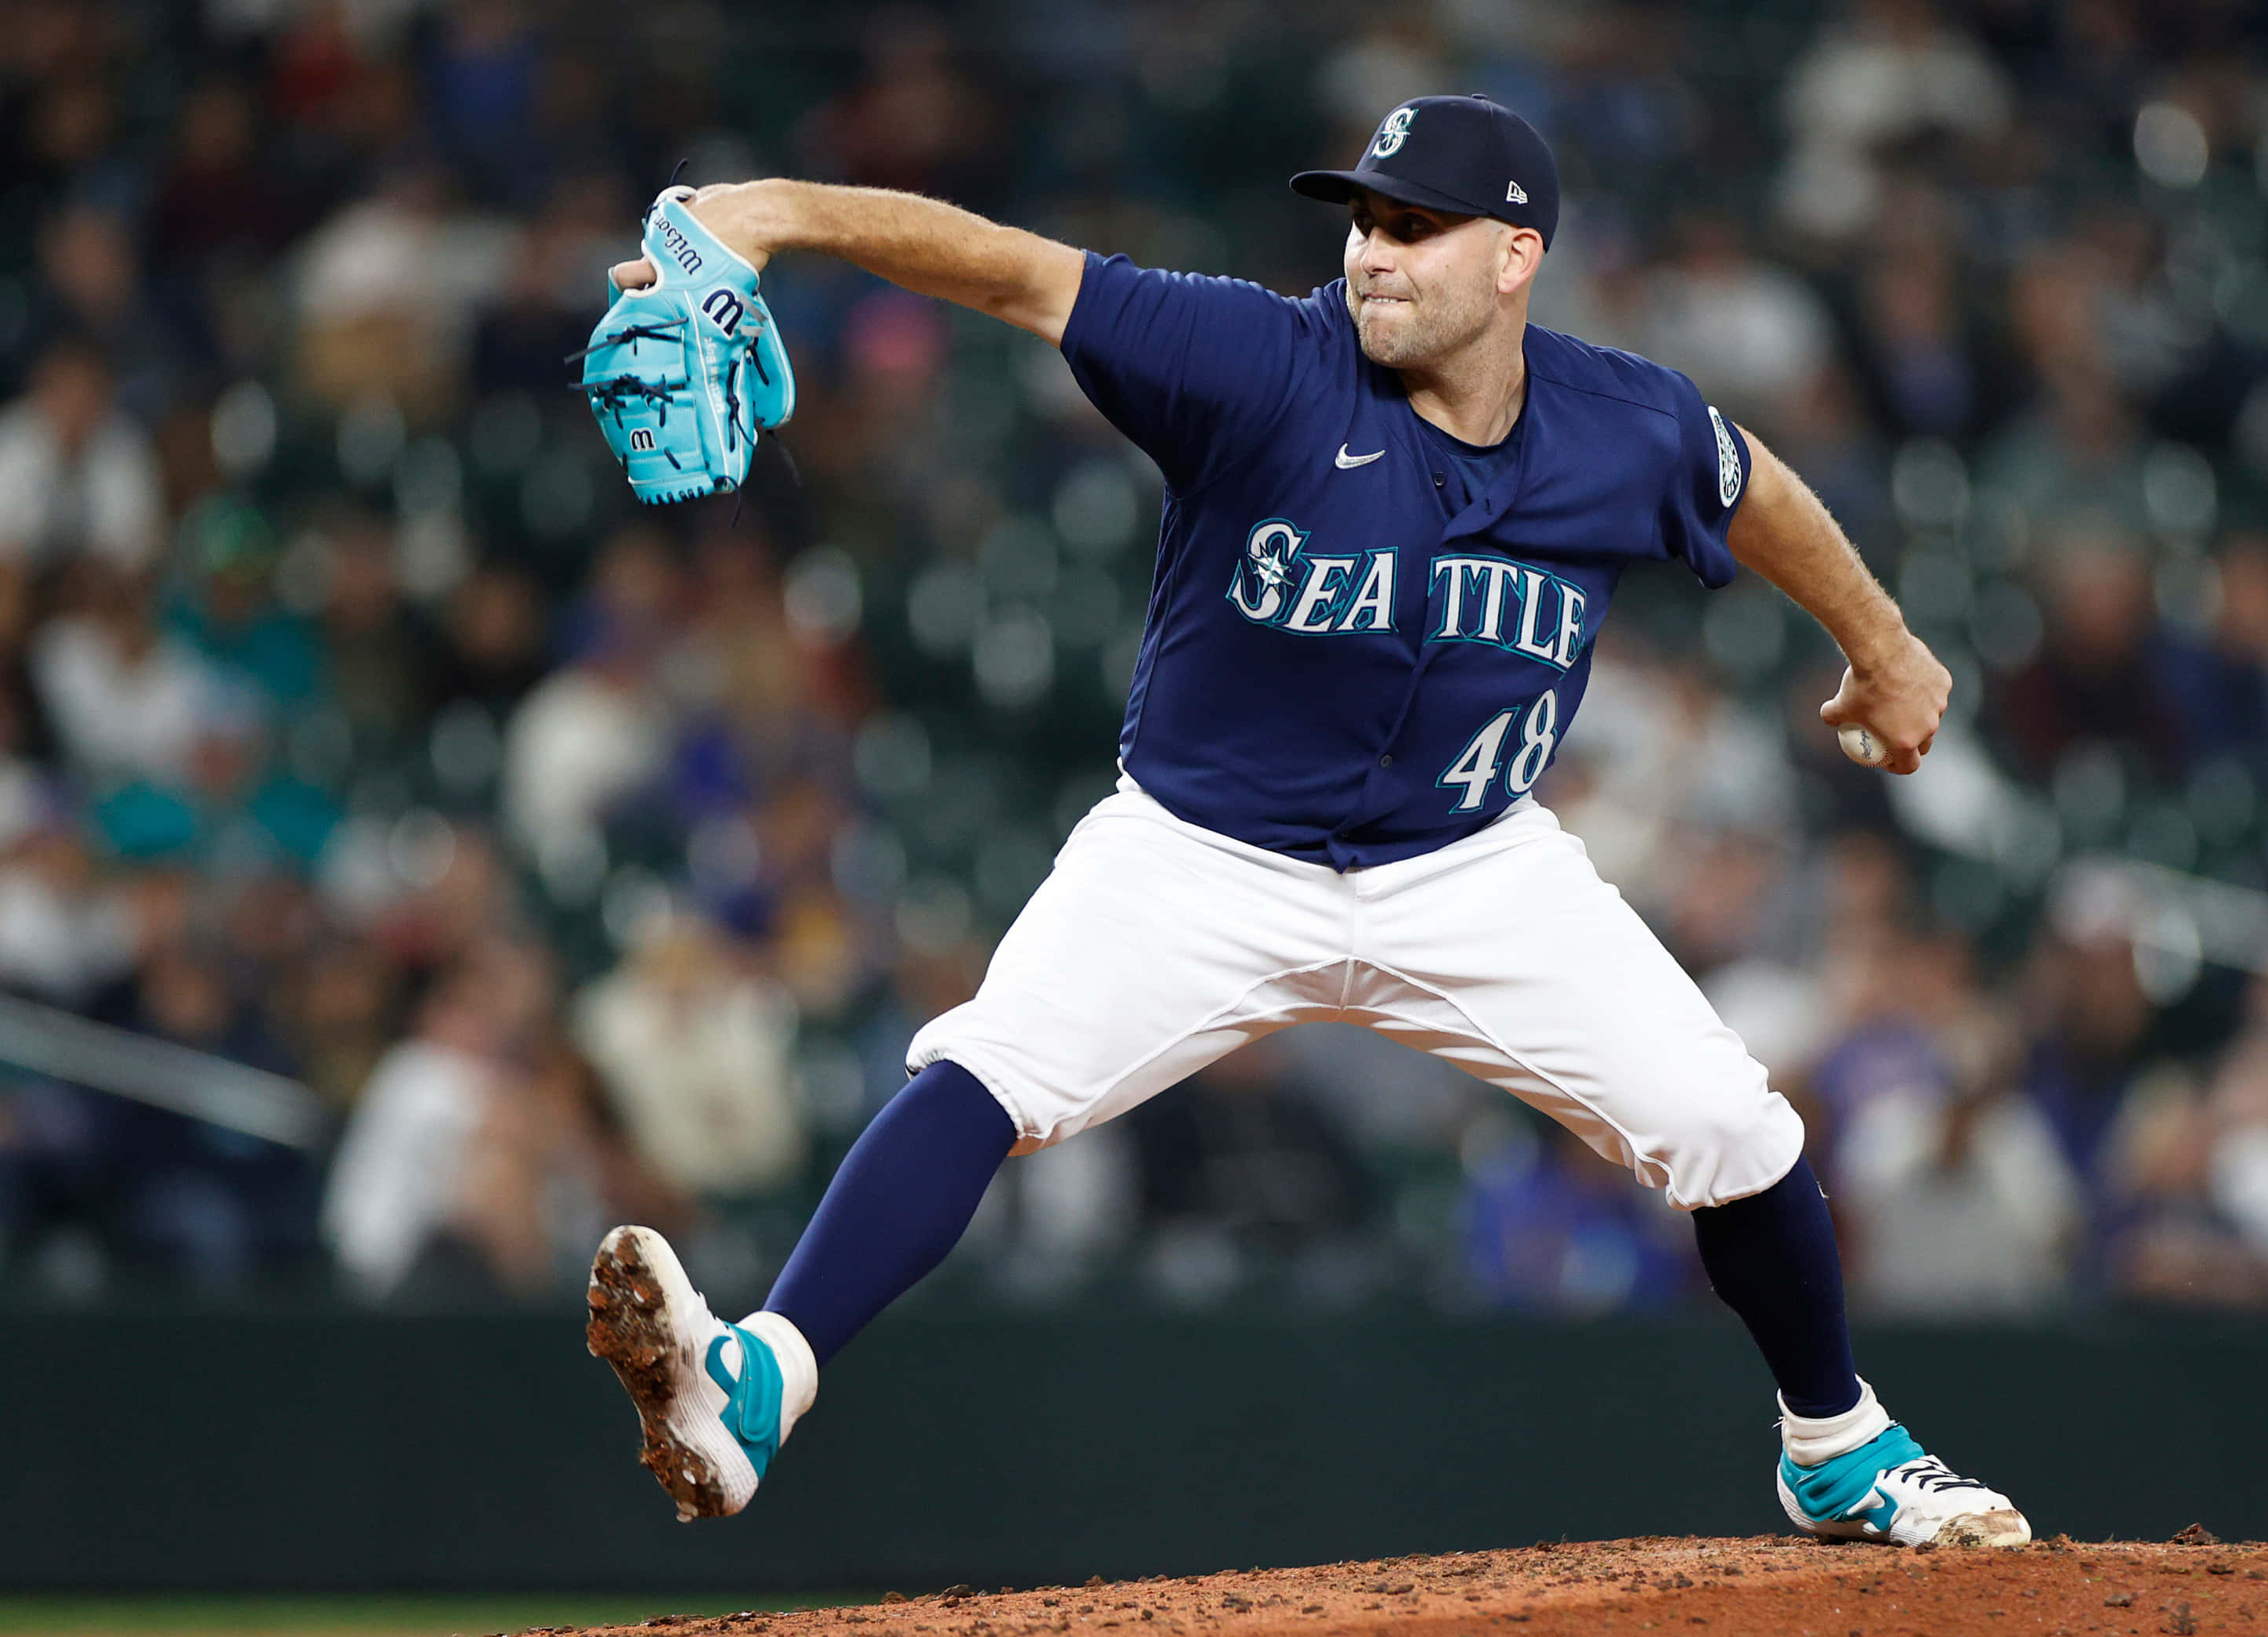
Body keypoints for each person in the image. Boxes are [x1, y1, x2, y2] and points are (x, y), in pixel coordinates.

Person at [584, 94, 2024, 1548]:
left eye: (1413, 227)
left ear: (1517, 256)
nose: (1371, 254)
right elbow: (1010, 268)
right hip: (1201, 853)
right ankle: (758, 1380)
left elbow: (1748, 484)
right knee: (988, 1069)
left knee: (1732, 1124)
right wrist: (765, 208)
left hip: (1471, 862)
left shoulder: (1623, 423)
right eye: (1361, 220)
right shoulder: (1256, 359)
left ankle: (1835, 1447)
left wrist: (1883, 642)